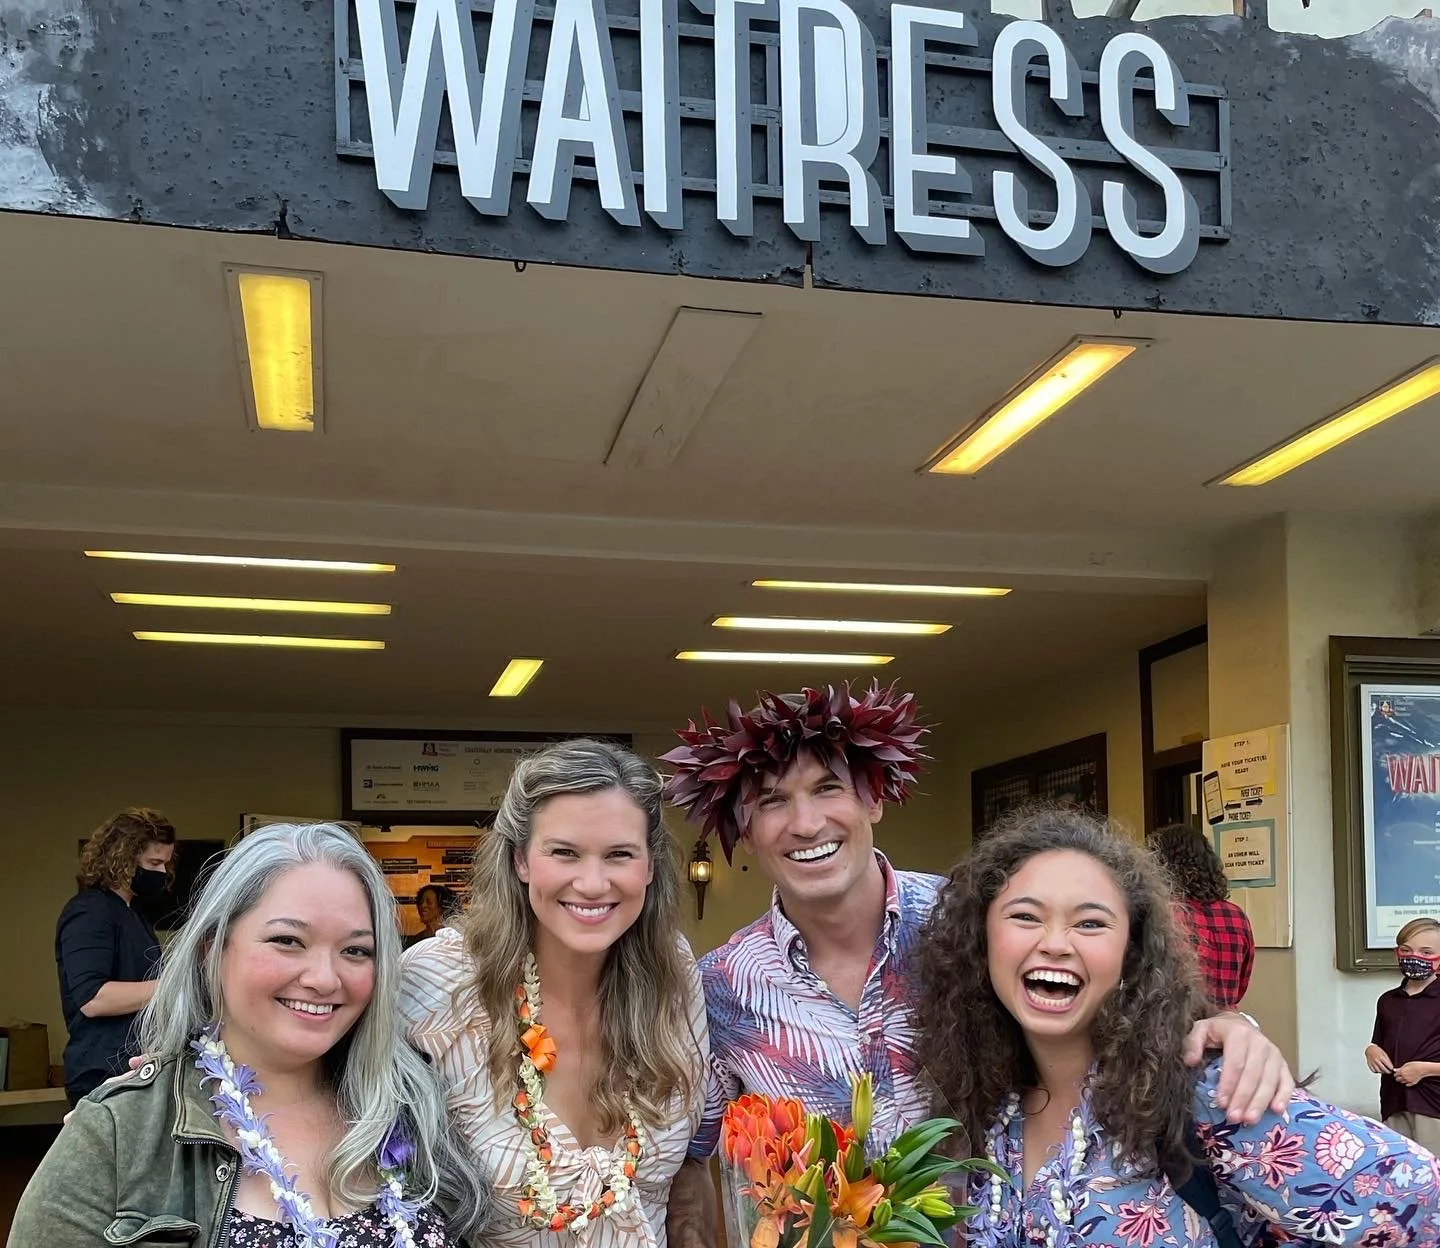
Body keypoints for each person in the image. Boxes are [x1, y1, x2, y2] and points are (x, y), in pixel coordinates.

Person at [660, 682, 1297, 1248]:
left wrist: (1227, 1028)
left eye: (829, 788)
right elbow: (695, 1162)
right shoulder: (719, 988)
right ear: (744, 827)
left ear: (874, 800)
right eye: (772, 801)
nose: (805, 821)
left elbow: (1107, 998)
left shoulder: (974, 924)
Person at [912, 805, 1440, 1248]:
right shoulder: (982, 1106)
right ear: (981, 941)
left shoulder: (1214, 1096)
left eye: (1091, 922)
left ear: (1131, 951)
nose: (1055, 941)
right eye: (1025, 916)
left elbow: (1420, 1203)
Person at [10, 822, 491, 1248]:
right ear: (211, 951)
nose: (325, 978)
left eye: (356, 951)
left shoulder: (415, 1104)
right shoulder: (118, 1133)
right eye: (287, 940)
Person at [396, 738, 708, 1246]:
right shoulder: (438, 980)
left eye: (619, 855)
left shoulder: (672, 974)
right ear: (521, 860)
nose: (591, 882)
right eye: (564, 852)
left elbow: (689, 1174)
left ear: (649, 866)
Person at [54, 806, 177, 1106]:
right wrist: (174, 986)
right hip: (103, 1073)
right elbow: (93, 999)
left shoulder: (133, 913)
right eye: (154, 862)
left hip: (135, 1069)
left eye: (165, 864)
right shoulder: (89, 912)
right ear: (123, 858)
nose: (162, 872)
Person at [1148, 822, 1255, 1009]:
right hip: (1224, 1028)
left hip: (1175, 1029)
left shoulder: (1161, 915)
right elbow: (1240, 988)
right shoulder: (1237, 917)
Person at [1368, 916, 1440, 1152]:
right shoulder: (1388, 1000)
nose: (1415, 957)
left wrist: (1425, 1070)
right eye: (1406, 950)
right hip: (1394, 1102)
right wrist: (1372, 1050)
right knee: (1398, 1172)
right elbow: (1378, 1041)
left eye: (1426, 952)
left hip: (1433, 1106)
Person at [405, 883, 459, 949]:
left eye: (429, 902)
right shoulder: (413, 942)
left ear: (442, 906)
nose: (423, 905)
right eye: (421, 902)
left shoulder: (452, 938)